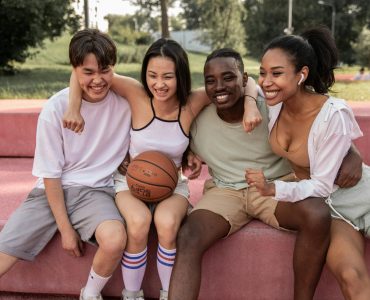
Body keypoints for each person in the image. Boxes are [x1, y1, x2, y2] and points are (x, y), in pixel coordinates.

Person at [63, 38, 261, 300]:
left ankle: (170, 293)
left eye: (168, 76)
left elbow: (248, 81)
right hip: (129, 182)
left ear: (180, 76)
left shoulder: (192, 102)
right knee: (138, 222)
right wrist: (73, 108)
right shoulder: (136, 93)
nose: (159, 84)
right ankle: (132, 294)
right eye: (152, 75)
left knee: (167, 224)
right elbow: (81, 72)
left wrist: (250, 104)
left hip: (171, 185)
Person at [168, 48, 362, 300]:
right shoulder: (197, 119)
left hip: (274, 187)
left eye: (228, 77)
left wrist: (351, 151)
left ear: (244, 78)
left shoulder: (272, 107)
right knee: (188, 235)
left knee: (316, 213)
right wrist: (189, 156)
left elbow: (320, 117)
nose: (219, 86)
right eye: (210, 80)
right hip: (225, 191)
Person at [0, 29, 131, 300]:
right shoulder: (56, 109)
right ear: (74, 71)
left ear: (113, 69)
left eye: (104, 70)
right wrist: (66, 230)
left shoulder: (127, 103)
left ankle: (90, 294)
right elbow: (51, 175)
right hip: (51, 192)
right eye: (88, 72)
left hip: (96, 193)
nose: (98, 80)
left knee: (115, 238)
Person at [246, 26, 370, 299]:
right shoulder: (275, 102)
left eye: (277, 73)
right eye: (263, 72)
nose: (266, 81)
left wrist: (274, 189)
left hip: (358, 195)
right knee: (351, 276)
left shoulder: (332, 114)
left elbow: (322, 184)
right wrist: (248, 103)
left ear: (301, 75)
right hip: (331, 210)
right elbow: (244, 81)